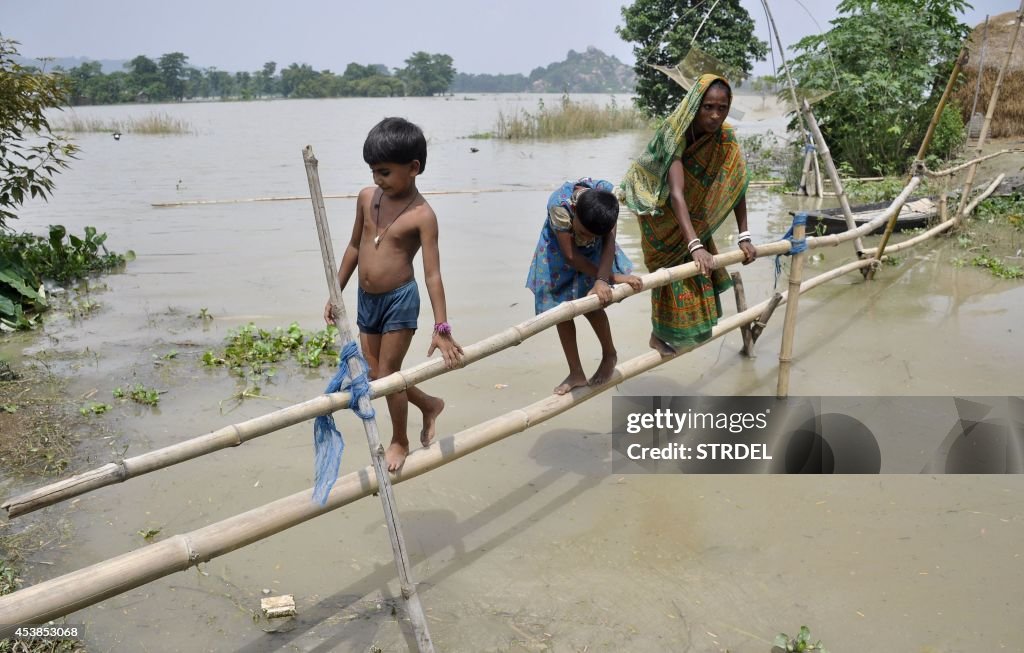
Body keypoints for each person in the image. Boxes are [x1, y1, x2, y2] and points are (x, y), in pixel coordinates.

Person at [324, 117, 463, 472]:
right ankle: (429, 403)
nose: (377, 180)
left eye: (385, 172)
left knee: (388, 373)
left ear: (413, 168)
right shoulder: (366, 198)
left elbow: (433, 274)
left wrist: (442, 327)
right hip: (366, 299)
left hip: (400, 298)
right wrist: (335, 290)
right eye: (373, 171)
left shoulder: (422, 215)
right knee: (374, 375)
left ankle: (399, 439)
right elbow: (355, 246)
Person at [619, 74, 757, 355]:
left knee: (698, 274)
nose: (715, 115)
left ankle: (683, 333)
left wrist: (744, 235)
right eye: (708, 107)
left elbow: (736, 183)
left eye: (722, 108)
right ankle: (658, 335)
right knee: (667, 273)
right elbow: (677, 191)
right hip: (656, 209)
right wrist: (695, 245)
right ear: (696, 104)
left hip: (691, 213)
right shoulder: (676, 132)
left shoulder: (725, 138)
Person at [526, 178, 643, 395]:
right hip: (559, 253)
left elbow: (608, 242)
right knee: (560, 311)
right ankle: (576, 372)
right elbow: (571, 256)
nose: (585, 238)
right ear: (575, 214)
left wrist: (602, 279)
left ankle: (609, 354)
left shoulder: (609, 203)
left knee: (593, 304)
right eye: (583, 231)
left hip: (592, 256)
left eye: (592, 236)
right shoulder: (560, 207)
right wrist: (610, 277)